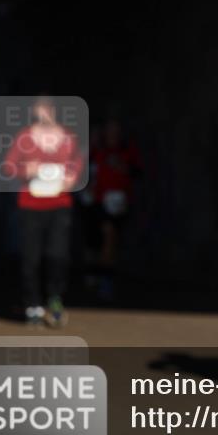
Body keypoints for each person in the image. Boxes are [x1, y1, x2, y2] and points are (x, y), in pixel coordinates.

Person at [2, 96, 84, 327]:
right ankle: (33, 304)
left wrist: (72, 177)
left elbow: (77, 163)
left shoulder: (67, 138)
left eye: (48, 109)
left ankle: (55, 299)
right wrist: (25, 169)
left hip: (59, 203)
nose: (44, 113)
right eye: (40, 109)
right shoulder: (25, 138)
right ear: (34, 112)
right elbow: (9, 166)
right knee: (31, 257)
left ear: (55, 111)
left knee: (58, 255)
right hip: (31, 204)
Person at [88, 117, 142, 301]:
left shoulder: (127, 150)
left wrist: (123, 167)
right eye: (110, 130)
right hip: (99, 201)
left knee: (111, 241)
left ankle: (105, 276)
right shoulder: (98, 150)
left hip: (120, 203)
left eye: (116, 131)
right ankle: (101, 276)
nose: (113, 134)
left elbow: (138, 172)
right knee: (103, 237)